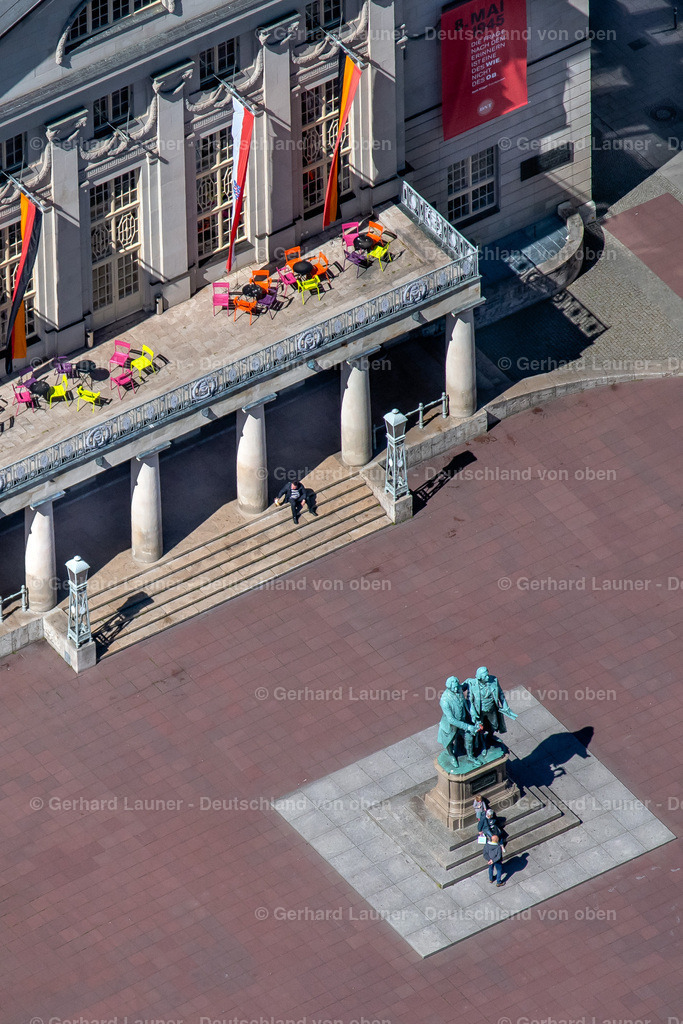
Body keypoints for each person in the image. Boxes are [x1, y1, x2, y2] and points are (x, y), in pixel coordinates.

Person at [468, 666, 517, 749]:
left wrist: (505, 706)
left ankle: (489, 737)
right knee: (480, 729)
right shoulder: (472, 685)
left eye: (488, 675)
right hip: (479, 711)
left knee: (494, 725)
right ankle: (482, 744)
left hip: (492, 709)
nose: (488, 677)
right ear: (479, 678)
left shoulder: (494, 680)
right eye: (485, 676)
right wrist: (473, 713)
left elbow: (500, 693)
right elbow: (470, 701)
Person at [437, 676, 482, 766]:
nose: (456, 689)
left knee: (469, 737)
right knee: (449, 743)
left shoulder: (458, 688)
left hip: (463, 721)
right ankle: (452, 756)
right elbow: (451, 720)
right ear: (449, 687)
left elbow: (466, 683)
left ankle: (470, 756)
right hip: (450, 726)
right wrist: (467, 726)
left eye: (457, 686)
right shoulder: (445, 700)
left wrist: (475, 680)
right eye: (454, 688)